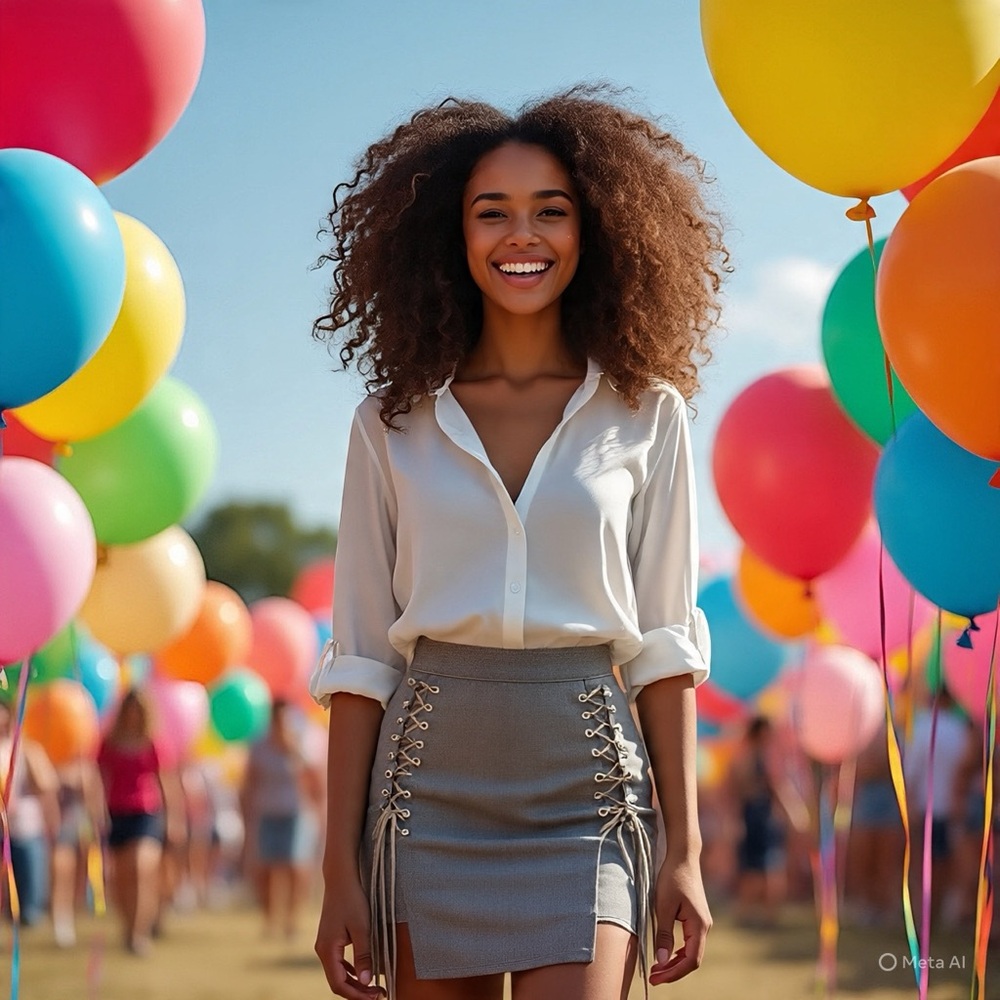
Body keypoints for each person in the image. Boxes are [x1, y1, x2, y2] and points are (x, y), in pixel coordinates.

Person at [310, 86, 725, 1000]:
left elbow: (664, 649)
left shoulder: (647, 413)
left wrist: (685, 852)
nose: (521, 235)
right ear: (452, 235)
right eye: (491, 212)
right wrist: (339, 869)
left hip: (589, 799)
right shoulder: (390, 424)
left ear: (595, 228)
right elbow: (363, 658)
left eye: (552, 210)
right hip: (426, 799)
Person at [96, 688, 177, 955]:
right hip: (116, 813)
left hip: (146, 813)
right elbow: (99, 779)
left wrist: (174, 819)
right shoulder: (109, 743)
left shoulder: (153, 743)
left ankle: (139, 934)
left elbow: (165, 782)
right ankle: (128, 925)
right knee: (122, 876)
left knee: (141, 869)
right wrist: (95, 813)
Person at [241, 699, 323, 939]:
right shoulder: (259, 746)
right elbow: (250, 781)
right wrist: (247, 813)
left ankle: (291, 920)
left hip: (296, 813)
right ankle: (270, 920)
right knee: (267, 869)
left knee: (295, 867)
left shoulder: (300, 744)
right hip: (267, 812)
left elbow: (314, 779)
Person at [0, 699, 60, 928]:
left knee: (28, 882)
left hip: (24, 827)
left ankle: (28, 915)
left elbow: (45, 786)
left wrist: (51, 818)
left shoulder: (25, 749)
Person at [727, 716, 787, 927]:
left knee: (755, 867)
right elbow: (774, 787)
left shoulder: (742, 757)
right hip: (759, 818)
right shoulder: (759, 758)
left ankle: (749, 912)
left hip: (753, 816)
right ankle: (765, 914)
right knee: (766, 866)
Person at [50, 756, 106, 947]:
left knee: (80, 877)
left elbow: (95, 796)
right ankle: (61, 920)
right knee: (62, 872)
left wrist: (97, 823)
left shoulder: (88, 764)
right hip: (61, 826)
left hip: (84, 826)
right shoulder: (53, 760)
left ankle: (71, 915)